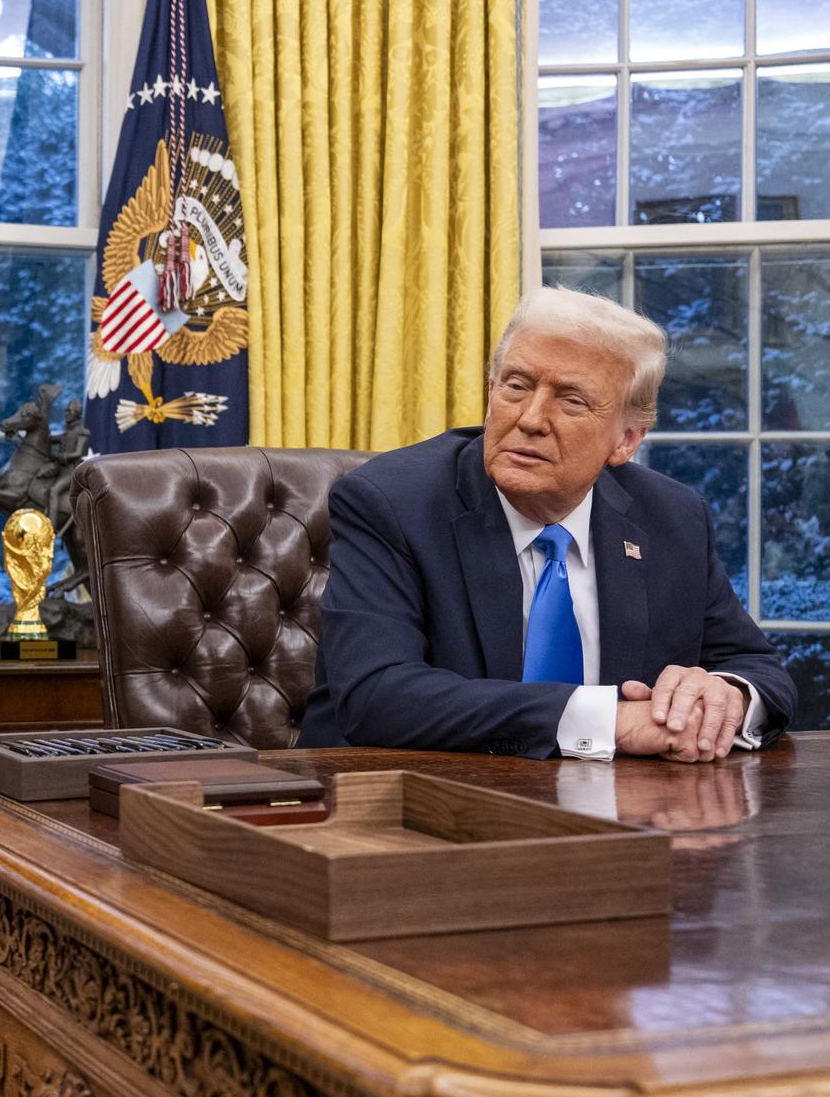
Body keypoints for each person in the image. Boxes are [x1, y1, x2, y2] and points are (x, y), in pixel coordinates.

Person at [297, 286, 796, 760]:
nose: (531, 418)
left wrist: (722, 697)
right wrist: (612, 722)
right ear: (490, 391)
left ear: (626, 440)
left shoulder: (672, 518)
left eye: (571, 400)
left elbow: (760, 671)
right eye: (516, 386)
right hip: (395, 810)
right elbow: (376, 694)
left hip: (620, 817)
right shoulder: (391, 501)